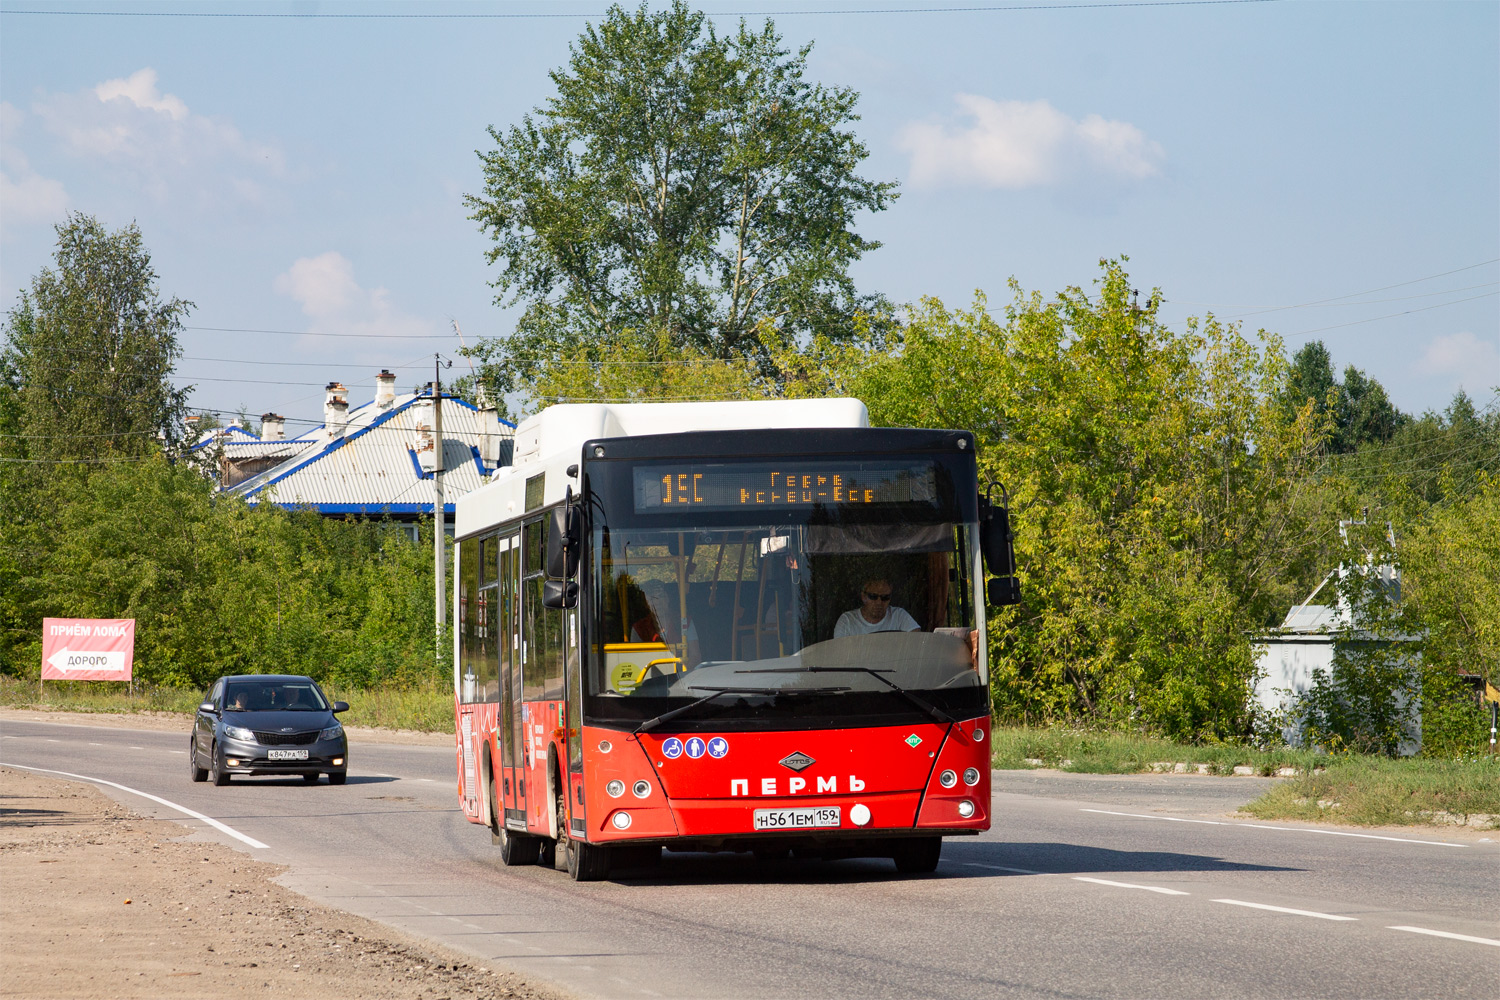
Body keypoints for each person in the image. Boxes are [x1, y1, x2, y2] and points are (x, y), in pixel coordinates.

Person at [632, 579, 702, 668]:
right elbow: (634, 661)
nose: (657, 602)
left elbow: (695, 656)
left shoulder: (683, 621)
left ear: (668, 598)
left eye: (660, 596)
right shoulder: (639, 628)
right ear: (646, 602)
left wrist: (683, 676)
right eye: (652, 598)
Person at [834, 578, 920, 638]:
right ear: (863, 597)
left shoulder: (899, 616)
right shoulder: (847, 621)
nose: (879, 602)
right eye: (873, 596)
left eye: (885, 597)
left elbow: (917, 642)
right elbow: (841, 654)